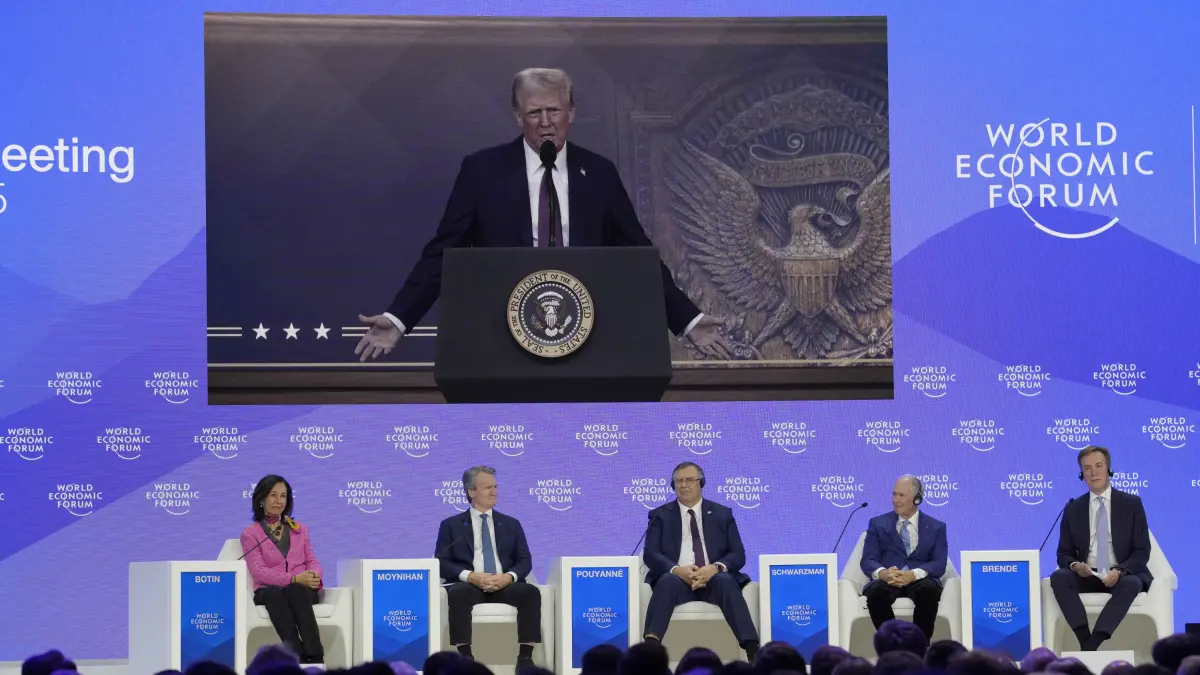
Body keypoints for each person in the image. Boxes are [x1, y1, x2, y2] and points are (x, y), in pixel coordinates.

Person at [355, 67, 732, 362]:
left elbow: (639, 255)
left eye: (554, 110)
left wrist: (688, 320)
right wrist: (399, 318)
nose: (546, 121)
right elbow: (443, 252)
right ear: (518, 116)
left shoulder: (598, 172)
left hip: (586, 336)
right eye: (534, 112)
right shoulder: (482, 171)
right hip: (501, 335)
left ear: (572, 112)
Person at [642, 461, 760, 660]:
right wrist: (677, 570)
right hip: (677, 580)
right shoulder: (660, 515)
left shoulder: (722, 514)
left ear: (701, 483)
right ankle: (649, 652)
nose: (683, 485)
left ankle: (753, 651)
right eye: (678, 481)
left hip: (714, 579)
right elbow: (651, 554)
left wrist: (714, 568)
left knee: (726, 581)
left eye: (689, 480)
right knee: (666, 581)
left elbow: (737, 554)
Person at [434, 466, 541, 669]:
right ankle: (466, 658)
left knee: (530, 592)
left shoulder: (511, 524)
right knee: (458, 593)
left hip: (504, 584)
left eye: (495, 487)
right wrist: (470, 576)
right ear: (471, 491)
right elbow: (441, 562)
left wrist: (508, 577)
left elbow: (524, 561)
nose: (494, 492)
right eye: (488, 488)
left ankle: (525, 658)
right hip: (470, 585)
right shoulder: (451, 525)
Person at [1051, 445, 1152, 651]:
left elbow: (1142, 551)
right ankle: (1084, 639)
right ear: (1082, 475)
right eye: (1087, 468)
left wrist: (1120, 571)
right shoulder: (1073, 508)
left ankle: (1092, 645)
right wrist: (1076, 565)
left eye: (1098, 466)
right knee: (1059, 577)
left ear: (1109, 470)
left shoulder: (1131, 504)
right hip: (1088, 575)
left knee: (1132, 583)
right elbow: (1063, 553)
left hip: (1121, 574)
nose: (1093, 472)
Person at [240, 475, 325, 664]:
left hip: (301, 590)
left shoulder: (299, 529)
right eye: (273, 495)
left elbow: (312, 560)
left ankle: (316, 656)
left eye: (283, 496)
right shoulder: (250, 534)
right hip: (269, 591)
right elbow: (258, 571)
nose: (279, 501)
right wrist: (294, 578)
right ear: (261, 498)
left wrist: (313, 575)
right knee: (274, 593)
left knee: (295, 590)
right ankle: (297, 655)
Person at [859, 475, 948, 642]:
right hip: (889, 579)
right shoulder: (877, 523)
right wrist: (883, 573)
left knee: (929, 591)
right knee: (876, 593)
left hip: (920, 579)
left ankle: (919, 645)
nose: (895, 500)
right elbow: (868, 560)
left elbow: (939, 563)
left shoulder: (936, 527)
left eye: (901, 495)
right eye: (894, 494)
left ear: (917, 499)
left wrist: (913, 574)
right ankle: (893, 644)